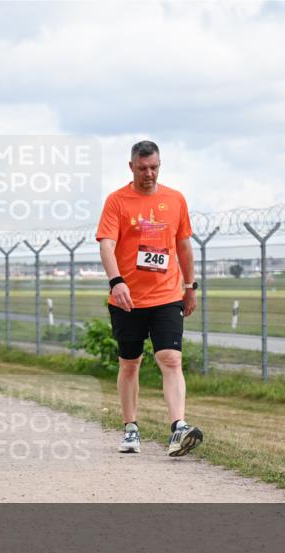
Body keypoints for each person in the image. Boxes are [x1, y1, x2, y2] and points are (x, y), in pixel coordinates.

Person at [96, 140, 203, 457]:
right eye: (142, 168)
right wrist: (116, 281)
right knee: (130, 364)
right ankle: (130, 429)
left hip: (167, 294)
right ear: (131, 167)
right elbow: (105, 244)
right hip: (127, 299)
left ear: (160, 165)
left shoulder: (175, 199)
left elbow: (183, 246)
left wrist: (189, 286)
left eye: (154, 167)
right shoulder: (117, 201)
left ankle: (178, 428)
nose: (149, 173)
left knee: (170, 358)